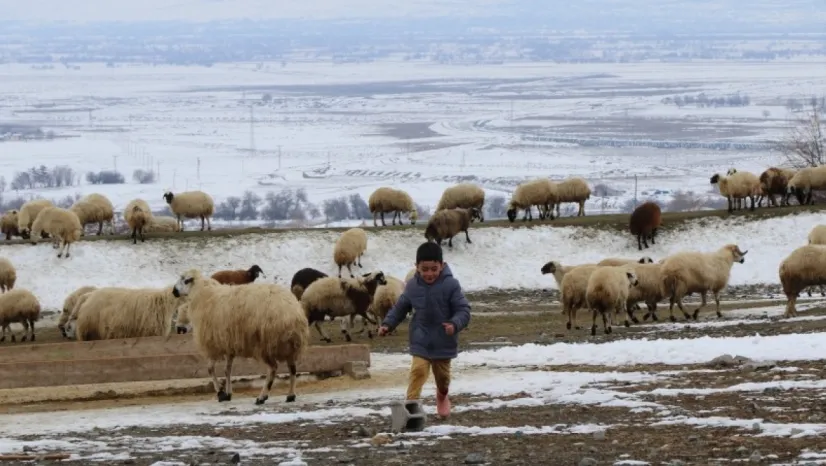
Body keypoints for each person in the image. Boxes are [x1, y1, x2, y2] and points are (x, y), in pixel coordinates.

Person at [377, 241, 471, 418]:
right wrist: (387, 324)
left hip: (444, 340)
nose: (429, 273)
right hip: (421, 338)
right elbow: (400, 307)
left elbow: (463, 309)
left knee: (442, 378)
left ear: (441, 266)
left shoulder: (451, 285)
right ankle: (411, 406)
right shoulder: (412, 286)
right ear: (417, 267)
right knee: (418, 371)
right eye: (424, 269)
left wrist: (455, 324)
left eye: (434, 269)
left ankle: (442, 395)